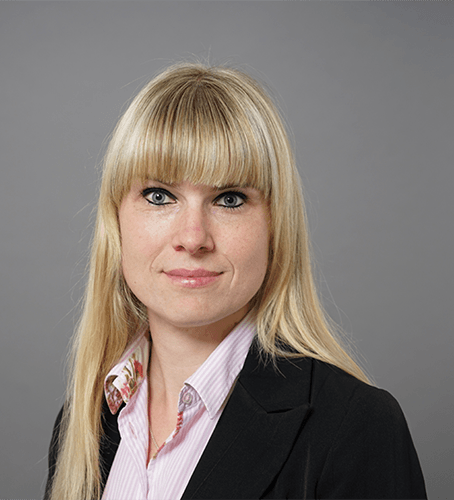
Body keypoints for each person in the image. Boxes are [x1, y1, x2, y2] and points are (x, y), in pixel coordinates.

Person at [44, 63, 427, 500]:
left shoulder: (356, 427)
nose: (193, 238)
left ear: (275, 226)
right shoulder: (83, 423)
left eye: (229, 199)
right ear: (116, 222)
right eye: (159, 196)